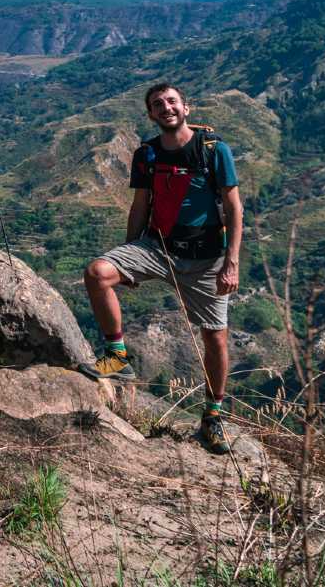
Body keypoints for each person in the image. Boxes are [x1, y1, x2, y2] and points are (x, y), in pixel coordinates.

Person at [77, 83, 243, 456]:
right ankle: (117, 356)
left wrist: (231, 262)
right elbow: (141, 204)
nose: (166, 108)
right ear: (151, 115)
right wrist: (128, 252)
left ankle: (213, 416)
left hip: (206, 258)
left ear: (186, 107)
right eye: (157, 105)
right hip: (158, 246)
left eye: (171, 102)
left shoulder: (215, 151)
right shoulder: (147, 155)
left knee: (215, 338)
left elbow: (234, 209)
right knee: (97, 273)